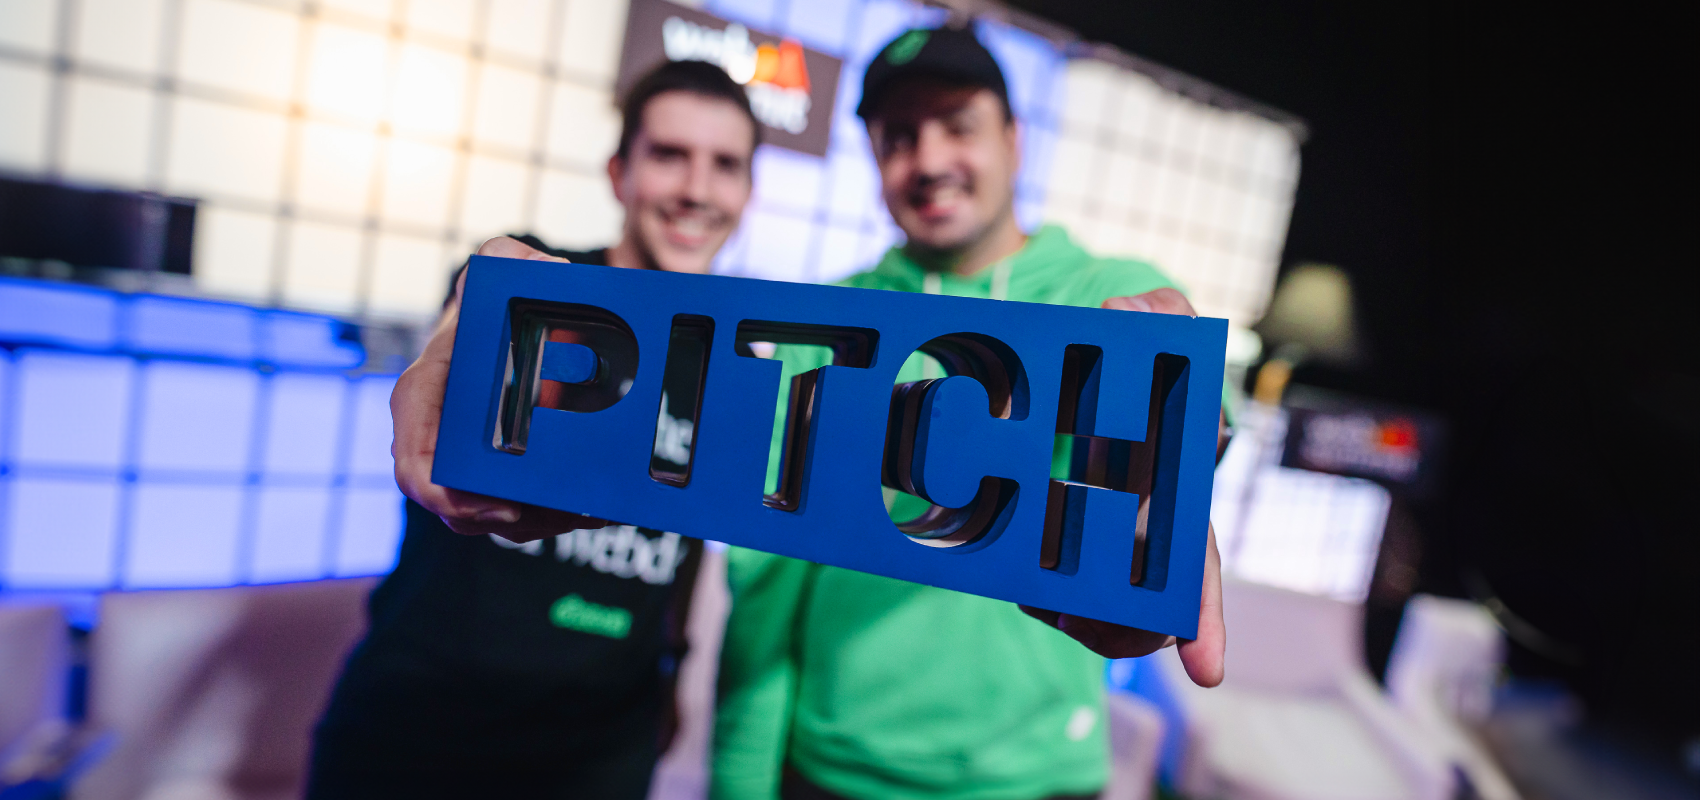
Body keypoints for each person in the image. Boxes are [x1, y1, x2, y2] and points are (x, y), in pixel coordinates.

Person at [709, 25, 1226, 800]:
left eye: (958, 125)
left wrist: (1188, 431)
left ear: (1014, 141)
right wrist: (740, 781)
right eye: (899, 138)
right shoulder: (830, 324)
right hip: (832, 770)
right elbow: (768, 585)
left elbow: (1192, 410)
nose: (929, 161)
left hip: (1038, 776)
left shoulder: (1102, 294)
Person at [307, 59, 759, 799]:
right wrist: (460, 331)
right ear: (619, 173)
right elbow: (476, 298)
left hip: (598, 750)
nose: (696, 190)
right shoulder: (534, 293)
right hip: (420, 726)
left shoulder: (735, 361)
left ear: (747, 190)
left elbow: (688, 541)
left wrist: (675, 664)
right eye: (669, 155)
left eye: (725, 165)